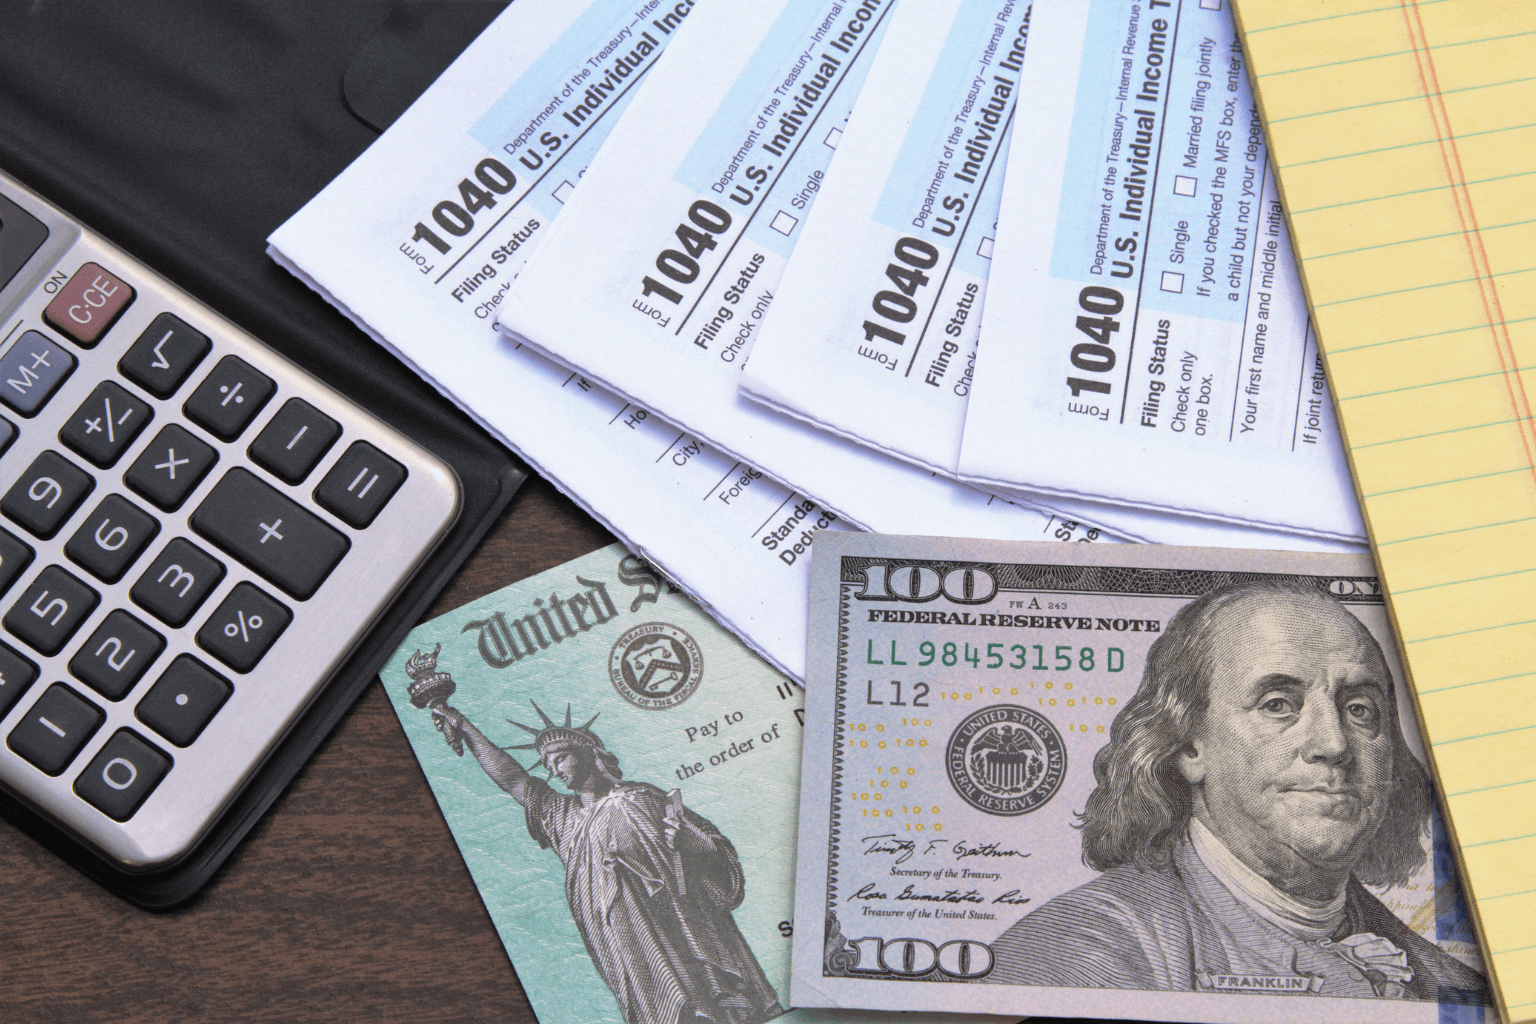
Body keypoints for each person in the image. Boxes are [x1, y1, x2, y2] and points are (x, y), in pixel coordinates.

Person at [988, 579, 1488, 1004]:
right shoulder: (1079, 954)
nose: (1334, 744)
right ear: (1188, 745)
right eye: (1277, 704)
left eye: (1360, 709)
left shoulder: (1453, 987)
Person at [431, 700, 784, 1024]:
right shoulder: (565, 819)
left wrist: (686, 838)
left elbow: (713, 850)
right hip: (632, 946)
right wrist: (463, 725)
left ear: (586, 752)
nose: (554, 772)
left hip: (686, 928)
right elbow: (514, 780)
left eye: (559, 759)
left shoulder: (643, 797)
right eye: (549, 765)